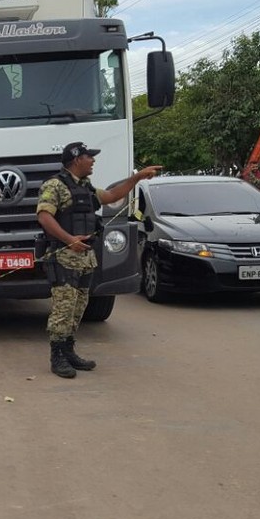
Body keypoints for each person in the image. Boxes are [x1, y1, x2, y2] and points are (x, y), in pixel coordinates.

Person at [37, 141, 161, 379]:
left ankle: (69, 350)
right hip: (64, 258)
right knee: (63, 308)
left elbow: (113, 195)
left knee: (78, 306)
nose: (93, 160)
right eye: (89, 157)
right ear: (76, 159)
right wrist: (69, 239)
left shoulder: (85, 187)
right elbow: (44, 217)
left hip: (85, 259)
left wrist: (137, 178)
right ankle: (57, 356)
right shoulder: (55, 186)